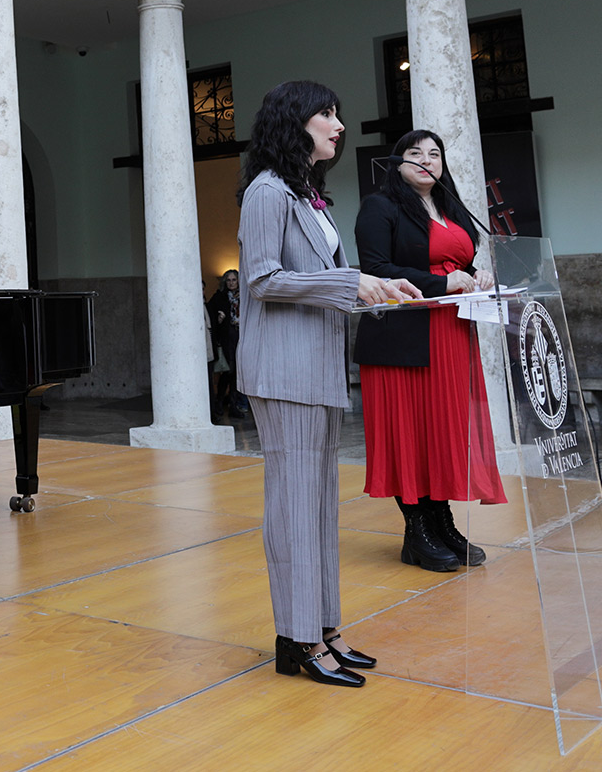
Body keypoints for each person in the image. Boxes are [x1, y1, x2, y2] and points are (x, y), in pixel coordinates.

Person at [236, 80, 418, 689]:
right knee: (293, 508)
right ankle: (296, 639)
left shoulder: (309, 195)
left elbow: (327, 277)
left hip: (316, 366)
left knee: (318, 508)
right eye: (326, 114)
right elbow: (261, 279)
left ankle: (326, 628)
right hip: (282, 369)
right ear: (295, 122)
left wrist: (379, 287)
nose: (339, 125)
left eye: (338, 114)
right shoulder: (266, 192)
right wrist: (350, 284)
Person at [353, 129, 506, 574]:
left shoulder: (451, 208)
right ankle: (416, 530)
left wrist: (478, 275)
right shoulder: (380, 207)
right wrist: (443, 282)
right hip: (404, 336)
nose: (426, 160)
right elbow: (375, 270)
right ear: (397, 164)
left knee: (443, 430)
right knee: (411, 432)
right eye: (414, 153)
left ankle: (443, 522)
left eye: (434, 153)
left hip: (452, 333)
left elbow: (462, 262)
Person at [206, 270, 245, 418]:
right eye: (228, 280)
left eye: (234, 280)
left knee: (236, 373)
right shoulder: (219, 296)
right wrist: (219, 318)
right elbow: (209, 314)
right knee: (228, 371)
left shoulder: (245, 297)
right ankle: (220, 402)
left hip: (241, 337)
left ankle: (232, 405)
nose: (231, 283)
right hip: (227, 338)